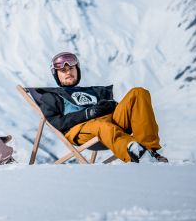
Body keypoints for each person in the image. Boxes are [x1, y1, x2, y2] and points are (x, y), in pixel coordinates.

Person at [36, 51, 169, 163]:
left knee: (139, 93)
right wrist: (88, 113)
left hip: (110, 121)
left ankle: (150, 150)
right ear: (56, 75)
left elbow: (112, 109)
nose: (68, 72)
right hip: (80, 130)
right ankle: (138, 156)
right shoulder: (51, 96)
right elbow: (57, 123)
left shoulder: (93, 91)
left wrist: (111, 105)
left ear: (77, 70)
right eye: (63, 70)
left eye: (71, 68)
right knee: (102, 125)